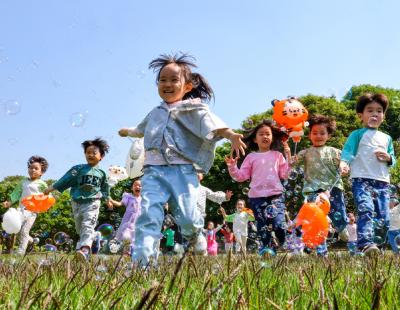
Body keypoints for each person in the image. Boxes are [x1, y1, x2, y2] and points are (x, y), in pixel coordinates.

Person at [118, 53, 246, 266]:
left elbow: (213, 123)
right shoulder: (155, 112)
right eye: (162, 80)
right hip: (153, 172)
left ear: (187, 86)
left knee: (187, 217)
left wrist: (231, 135)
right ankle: (143, 262)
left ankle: (196, 236)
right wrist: (128, 131)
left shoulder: (194, 109)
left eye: (174, 80)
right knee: (148, 215)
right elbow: (141, 129)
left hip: (183, 172)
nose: (167, 84)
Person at [340, 93, 396, 255]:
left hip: (382, 182)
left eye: (379, 111)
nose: (375, 114)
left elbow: (393, 160)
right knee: (365, 209)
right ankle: (366, 245)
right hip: (361, 180)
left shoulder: (387, 138)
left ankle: (377, 245)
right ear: (361, 116)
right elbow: (347, 152)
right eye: (370, 110)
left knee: (383, 217)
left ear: (383, 116)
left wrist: (389, 157)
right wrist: (344, 164)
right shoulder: (357, 134)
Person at [225, 119, 291, 255]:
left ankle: (283, 241)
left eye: (268, 134)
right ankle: (267, 250)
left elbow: (285, 174)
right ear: (255, 139)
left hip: (276, 195)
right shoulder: (251, 157)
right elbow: (241, 176)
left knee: (279, 224)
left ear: (272, 138)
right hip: (257, 197)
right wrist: (232, 166)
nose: (265, 136)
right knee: (262, 227)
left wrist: (290, 158)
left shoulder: (278, 155)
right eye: (261, 134)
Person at [44, 138, 112, 261]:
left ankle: (85, 249)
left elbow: (105, 188)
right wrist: (51, 188)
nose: (90, 154)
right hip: (77, 202)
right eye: (88, 152)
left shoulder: (102, 173)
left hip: (93, 202)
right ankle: (96, 237)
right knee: (79, 227)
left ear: (101, 156)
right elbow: (65, 179)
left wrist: (107, 199)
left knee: (87, 225)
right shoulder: (79, 169)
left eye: (94, 152)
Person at [293, 114, 348, 255]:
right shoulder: (305, 153)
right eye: (314, 133)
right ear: (309, 135)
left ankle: (341, 227)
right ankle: (321, 251)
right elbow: (292, 163)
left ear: (328, 135)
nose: (318, 136)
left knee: (339, 215)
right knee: (316, 220)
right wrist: (290, 154)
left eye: (322, 133)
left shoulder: (334, 151)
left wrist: (344, 166)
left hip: (333, 188)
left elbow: (345, 163)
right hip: (313, 190)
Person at [2, 156, 49, 255]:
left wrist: (45, 204)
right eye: (31, 168)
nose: (33, 170)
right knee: (18, 230)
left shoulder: (42, 184)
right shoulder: (23, 182)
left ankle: (20, 252)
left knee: (24, 231)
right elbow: (16, 193)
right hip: (20, 210)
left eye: (36, 168)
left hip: (32, 212)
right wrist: (9, 202)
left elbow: (47, 195)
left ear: (41, 172)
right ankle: (31, 241)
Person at [108, 179, 141, 251]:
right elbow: (120, 204)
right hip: (128, 222)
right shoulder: (128, 197)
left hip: (137, 223)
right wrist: (112, 201)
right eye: (135, 185)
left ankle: (131, 252)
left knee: (135, 239)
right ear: (132, 188)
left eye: (140, 186)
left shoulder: (143, 199)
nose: (137, 187)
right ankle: (126, 252)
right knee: (126, 237)